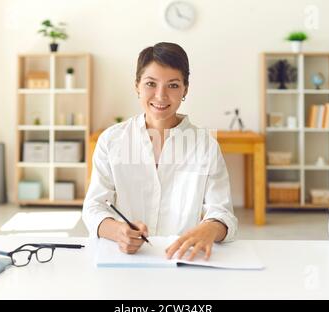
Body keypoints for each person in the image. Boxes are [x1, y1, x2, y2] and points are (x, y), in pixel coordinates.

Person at [82, 42, 237, 261]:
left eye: (173, 85)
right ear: (137, 85)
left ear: (185, 89)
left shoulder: (205, 145)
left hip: (183, 259)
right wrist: (119, 231)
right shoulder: (111, 140)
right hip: (125, 260)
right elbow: (94, 207)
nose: (161, 95)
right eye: (150, 84)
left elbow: (223, 213)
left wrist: (210, 228)